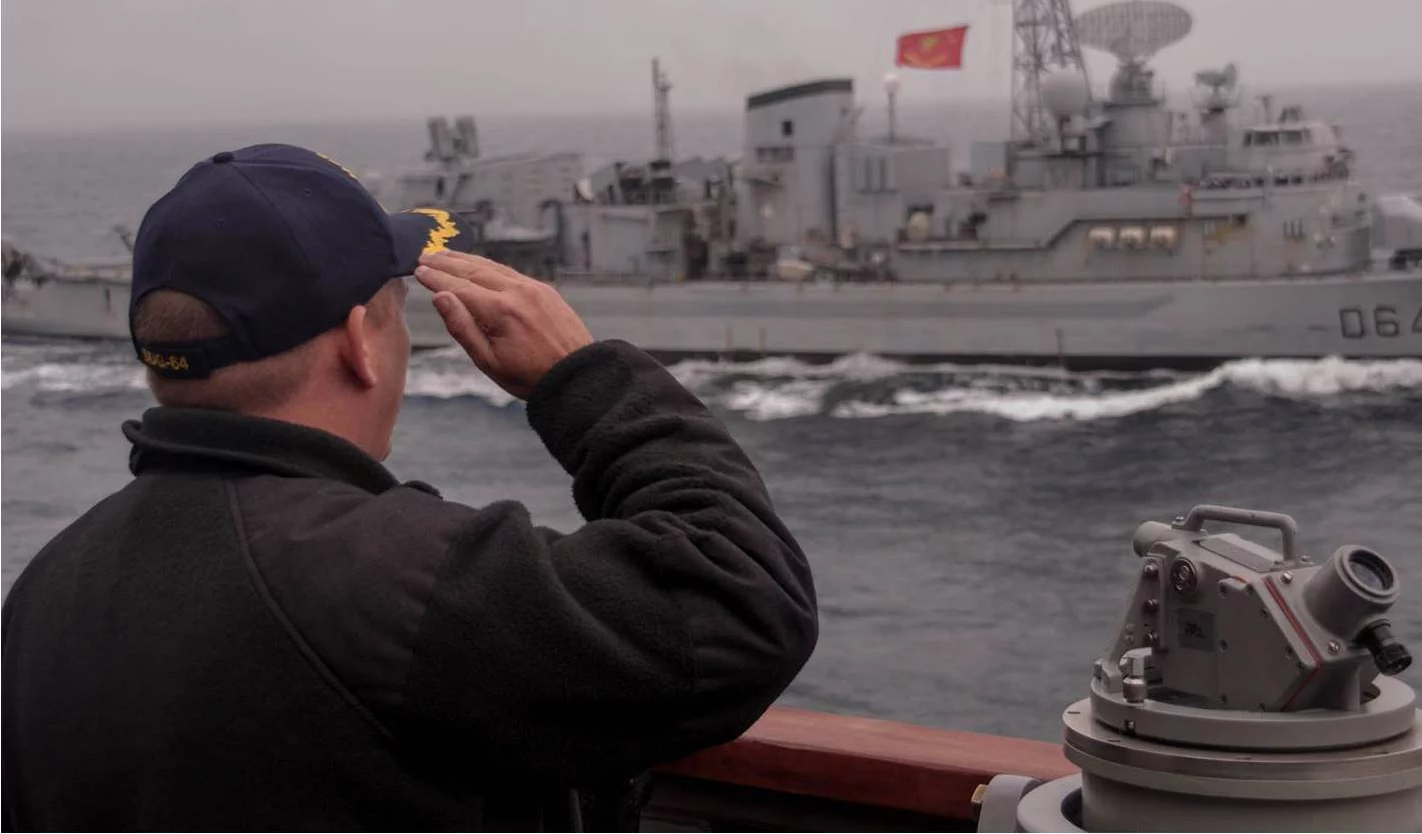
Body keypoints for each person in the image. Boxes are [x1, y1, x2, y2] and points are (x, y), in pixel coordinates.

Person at [1, 145, 819, 831]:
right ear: (362, 342)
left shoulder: (43, 594)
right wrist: (586, 377)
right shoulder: (395, 582)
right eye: (399, 312)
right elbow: (743, 603)